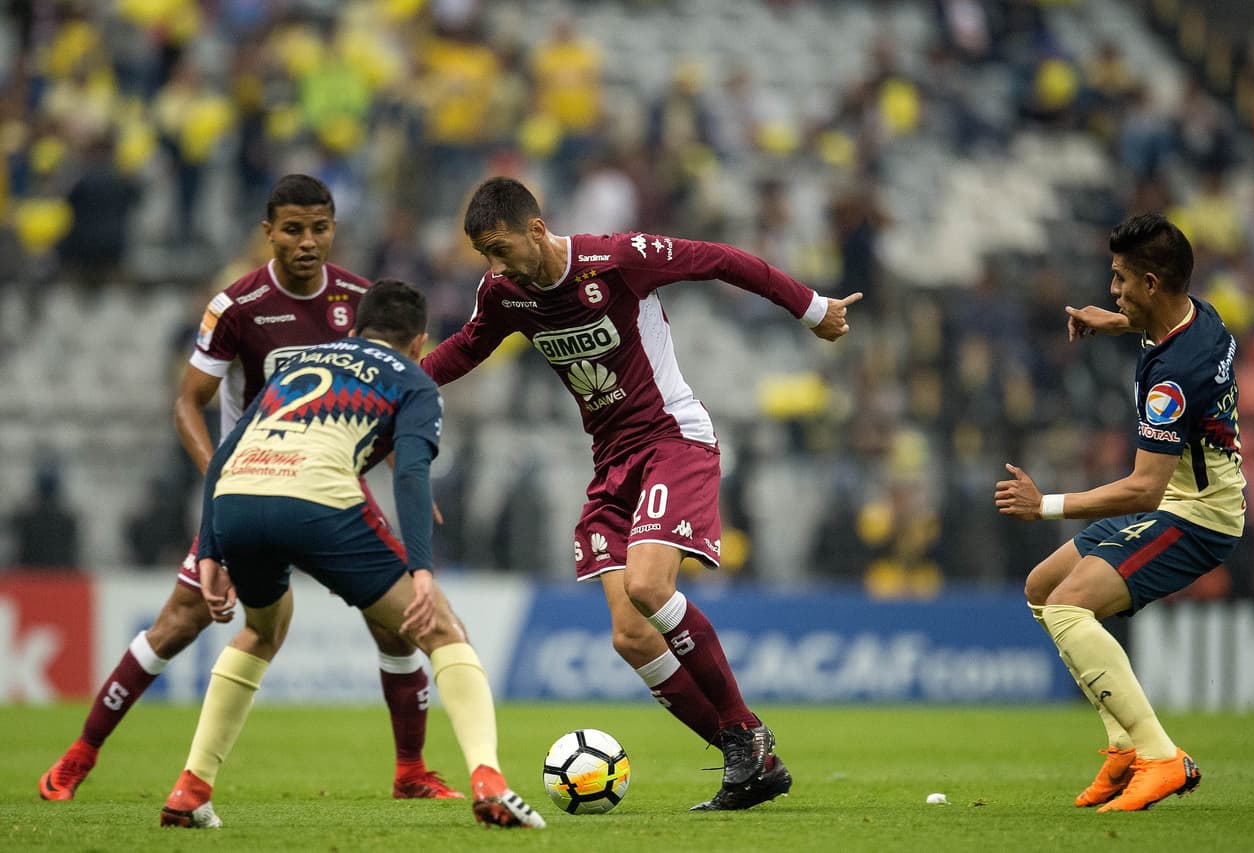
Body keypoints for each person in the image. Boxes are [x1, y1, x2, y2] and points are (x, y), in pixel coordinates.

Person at [421, 176, 861, 811]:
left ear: (536, 230)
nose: (495, 266)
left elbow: (720, 258)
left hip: (672, 440)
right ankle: (751, 761)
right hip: (610, 463)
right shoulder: (503, 293)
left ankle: (745, 731)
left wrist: (811, 307)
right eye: (485, 256)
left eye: (501, 248)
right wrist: (402, 382)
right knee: (630, 635)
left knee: (650, 588)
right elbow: (468, 347)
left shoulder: (616, 259)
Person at [40, 175, 461, 802]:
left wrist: (408, 468)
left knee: (394, 624)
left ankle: (410, 773)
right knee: (180, 621)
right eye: (293, 229)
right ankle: (78, 756)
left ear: (333, 229)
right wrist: (221, 476)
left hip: (332, 482)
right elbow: (188, 401)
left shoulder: (360, 300)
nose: (307, 242)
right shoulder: (236, 306)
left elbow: (388, 391)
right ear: (269, 232)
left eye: (319, 229)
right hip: (252, 480)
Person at [160, 279, 543, 830]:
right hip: (316, 501)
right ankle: (490, 781)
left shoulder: (297, 363)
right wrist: (422, 569)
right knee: (442, 632)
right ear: (419, 341)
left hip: (239, 498)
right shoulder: (413, 379)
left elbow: (225, 456)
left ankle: (190, 789)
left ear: (356, 328)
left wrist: (210, 553)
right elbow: (411, 474)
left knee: (262, 630)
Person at [995, 213, 1245, 812]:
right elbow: (1152, 321)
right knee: (1042, 587)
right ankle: (1124, 744)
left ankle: (1161, 756)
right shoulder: (1201, 317)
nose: (1113, 290)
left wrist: (1045, 506)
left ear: (1154, 284)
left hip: (1197, 517)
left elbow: (1143, 491)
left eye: (1120, 281)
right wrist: (1109, 323)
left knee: (1068, 606)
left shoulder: (1174, 380)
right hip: (1189, 498)